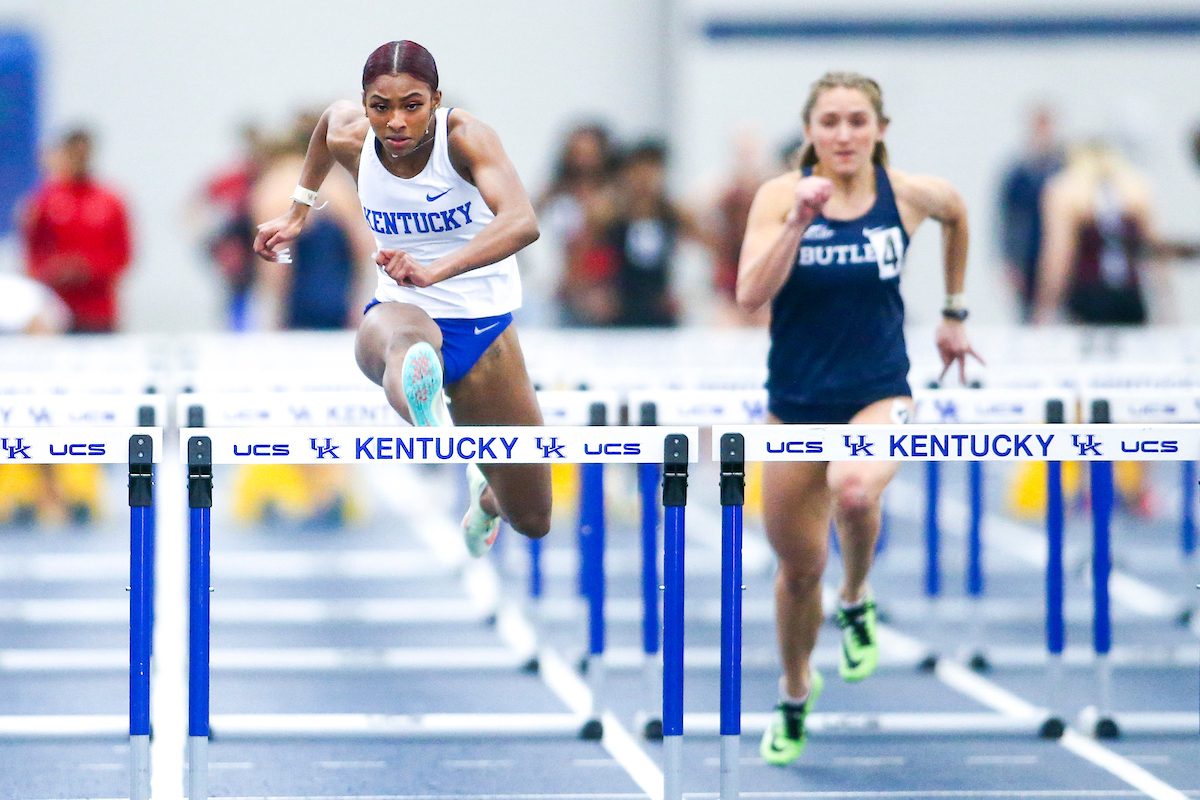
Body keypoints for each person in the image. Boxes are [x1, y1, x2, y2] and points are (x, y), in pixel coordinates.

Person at [736, 71, 979, 765]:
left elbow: (959, 212)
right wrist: (798, 225)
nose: (844, 135)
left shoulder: (907, 195)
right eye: (830, 122)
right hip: (795, 404)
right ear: (810, 131)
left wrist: (955, 311)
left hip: (880, 389)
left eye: (857, 121)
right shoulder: (779, 197)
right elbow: (751, 295)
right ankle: (793, 690)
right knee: (796, 572)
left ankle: (857, 595)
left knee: (854, 488)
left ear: (879, 129)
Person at [253, 40, 551, 556]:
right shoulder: (351, 133)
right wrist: (297, 212)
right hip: (400, 312)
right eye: (380, 106)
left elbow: (522, 222)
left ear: (435, 100)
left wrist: (435, 270)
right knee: (405, 344)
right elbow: (326, 127)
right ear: (364, 103)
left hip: (483, 327)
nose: (394, 122)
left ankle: (484, 493)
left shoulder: (466, 139)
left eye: (411, 105)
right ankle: (427, 406)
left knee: (533, 518)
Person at [1034, 139, 1165, 325]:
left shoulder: (1066, 191)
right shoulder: (1136, 189)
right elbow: (1155, 254)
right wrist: (1166, 304)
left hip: (1088, 295)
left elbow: (1059, 255)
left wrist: (1045, 307)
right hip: (1129, 296)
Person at [20, 128, 132, 333]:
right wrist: (54, 269)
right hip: (54, 310)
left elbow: (122, 255)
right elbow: (31, 254)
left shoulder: (110, 201)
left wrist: (87, 268)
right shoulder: (43, 201)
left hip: (98, 311)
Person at [605, 140, 702, 327]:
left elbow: (702, 251)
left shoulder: (674, 214)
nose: (645, 179)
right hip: (620, 308)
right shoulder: (612, 216)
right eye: (638, 171)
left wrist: (686, 292)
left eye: (652, 172)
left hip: (661, 308)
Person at [539, 124, 621, 326]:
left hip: (603, 285)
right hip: (566, 286)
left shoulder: (613, 194)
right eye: (578, 153)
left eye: (590, 154)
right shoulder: (557, 192)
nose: (583, 161)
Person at [998, 106, 1064, 321]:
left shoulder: (1064, 169)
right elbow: (1007, 221)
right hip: (1028, 257)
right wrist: (1009, 261)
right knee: (1029, 316)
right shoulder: (1018, 175)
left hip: (1058, 255)